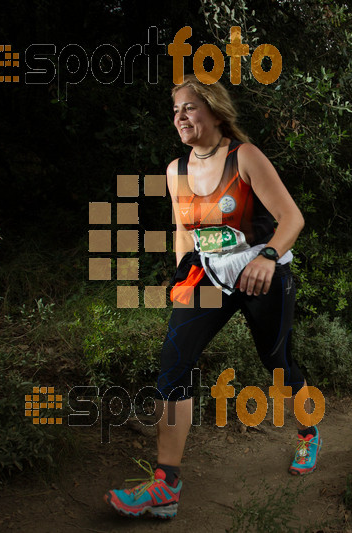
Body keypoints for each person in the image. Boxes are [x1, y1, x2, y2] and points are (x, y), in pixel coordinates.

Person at [105, 76, 320, 519]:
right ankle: (165, 485)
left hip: (262, 274)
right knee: (174, 359)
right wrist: (184, 277)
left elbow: (292, 218)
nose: (180, 117)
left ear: (215, 112)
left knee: (276, 363)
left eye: (189, 108)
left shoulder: (245, 158)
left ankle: (308, 431)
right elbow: (183, 231)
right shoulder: (174, 171)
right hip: (209, 276)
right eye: (176, 111)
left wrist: (268, 258)